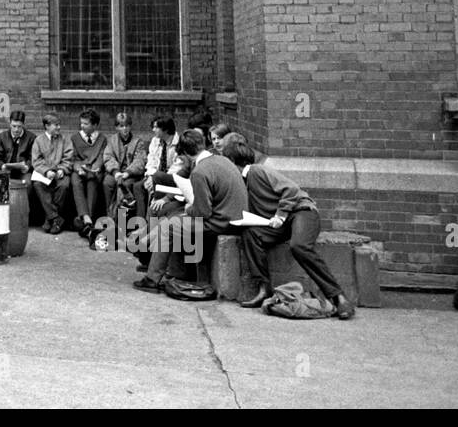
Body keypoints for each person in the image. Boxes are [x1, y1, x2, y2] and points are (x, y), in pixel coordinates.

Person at [224, 138, 356, 319]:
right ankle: (264, 288)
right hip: (280, 223)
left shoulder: (257, 171)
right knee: (250, 234)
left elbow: (291, 189)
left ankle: (338, 296)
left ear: (232, 162)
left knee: (299, 246)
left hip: (302, 212)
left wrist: (280, 215)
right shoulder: (243, 182)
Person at [135, 129, 246, 293]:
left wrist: (189, 208)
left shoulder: (200, 172)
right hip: (235, 216)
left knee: (170, 225)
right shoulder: (221, 160)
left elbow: (203, 212)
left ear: (186, 154)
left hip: (222, 222)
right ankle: (156, 258)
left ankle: (152, 278)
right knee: (175, 219)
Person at [103, 111, 148, 227]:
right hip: (115, 172)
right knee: (107, 183)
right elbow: (108, 157)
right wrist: (115, 171)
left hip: (131, 175)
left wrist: (128, 173)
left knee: (123, 185)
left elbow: (140, 160)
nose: (125, 129)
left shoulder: (138, 142)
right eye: (121, 126)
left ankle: (120, 222)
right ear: (116, 127)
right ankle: (110, 215)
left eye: (127, 125)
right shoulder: (112, 140)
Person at [69, 109, 107, 239]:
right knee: (75, 181)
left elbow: (102, 156)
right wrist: (79, 168)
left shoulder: (102, 139)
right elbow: (73, 158)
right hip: (80, 168)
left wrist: (95, 168)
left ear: (95, 125)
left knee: (92, 181)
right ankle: (86, 217)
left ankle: (87, 221)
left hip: (94, 170)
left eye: (86, 124)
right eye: (81, 123)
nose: (82, 126)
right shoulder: (75, 138)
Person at [31, 113, 71, 234]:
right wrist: (46, 171)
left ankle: (50, 218)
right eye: (56, 125)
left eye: (59, 125)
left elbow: (68, 157)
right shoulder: (38, 140)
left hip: (60, 173)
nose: (59, 127)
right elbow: (36, 160)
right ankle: (56, 218)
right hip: (44, 174)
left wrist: (62, 169)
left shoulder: (64, 139)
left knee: (63, 185)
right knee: (38, 185)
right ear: (47, 126)